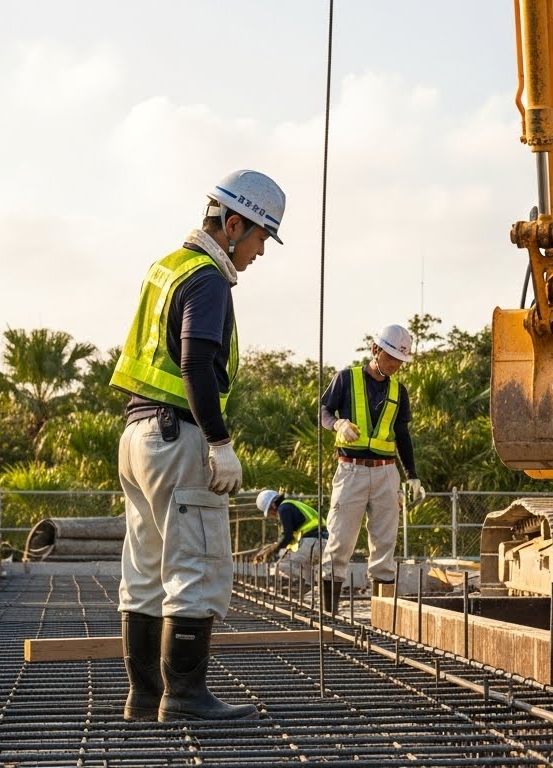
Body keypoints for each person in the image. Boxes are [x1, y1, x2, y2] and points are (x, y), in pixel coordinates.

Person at [110, 169, 286, 721]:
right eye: (260, 237)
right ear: (233, 225)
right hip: (177, 436)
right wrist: (220, 442)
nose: (260, 251)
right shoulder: (209, 278)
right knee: (197, 564)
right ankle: (184, 696)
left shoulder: (167, 267)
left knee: (144, 568)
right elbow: (194, 362)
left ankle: (143, 695)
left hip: (137, 436)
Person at [317, 324, 424, 612]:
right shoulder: (346, 378)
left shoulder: (399, 391)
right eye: (391, 358)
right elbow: (324, 411)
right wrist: (338, 423)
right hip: (351, 469)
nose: (396, 365)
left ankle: (383, 616)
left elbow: (402, 434)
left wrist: (412, 476)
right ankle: (329, 614)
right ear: (375, 350)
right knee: (340, 539)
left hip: (386, 472)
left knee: (385, 543)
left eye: (401, 361)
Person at [253, 490, 328, 590]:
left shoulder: (283, 509)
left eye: (271, 513)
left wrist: (272, 550)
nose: (274, 515)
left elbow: (287, 536)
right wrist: (272, 547)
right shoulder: (291, 505)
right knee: (305, 569)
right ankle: (314, 589)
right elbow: (291, 536)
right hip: (322, 541)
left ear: (273, 506)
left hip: (313, 542)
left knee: (282, 566)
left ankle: (307, 586)